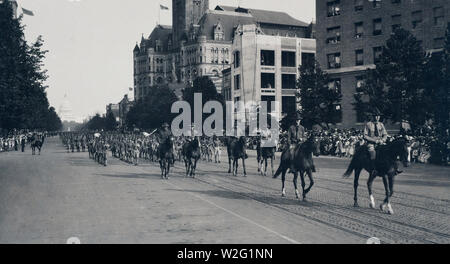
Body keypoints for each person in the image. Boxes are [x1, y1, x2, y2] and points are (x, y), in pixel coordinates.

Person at [363, 108, 388, 176]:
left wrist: (382, 140)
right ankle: (373, 169)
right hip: (371, 143)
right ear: (372, 116)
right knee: (372, 153)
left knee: (388, 151)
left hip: (381, 142)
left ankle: (390, 168)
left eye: (378, 116)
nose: (377, 117)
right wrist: (374, 140)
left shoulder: (381, 124)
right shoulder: (368, 124)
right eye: (375, 116)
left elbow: (385, 134)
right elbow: (365, 136)